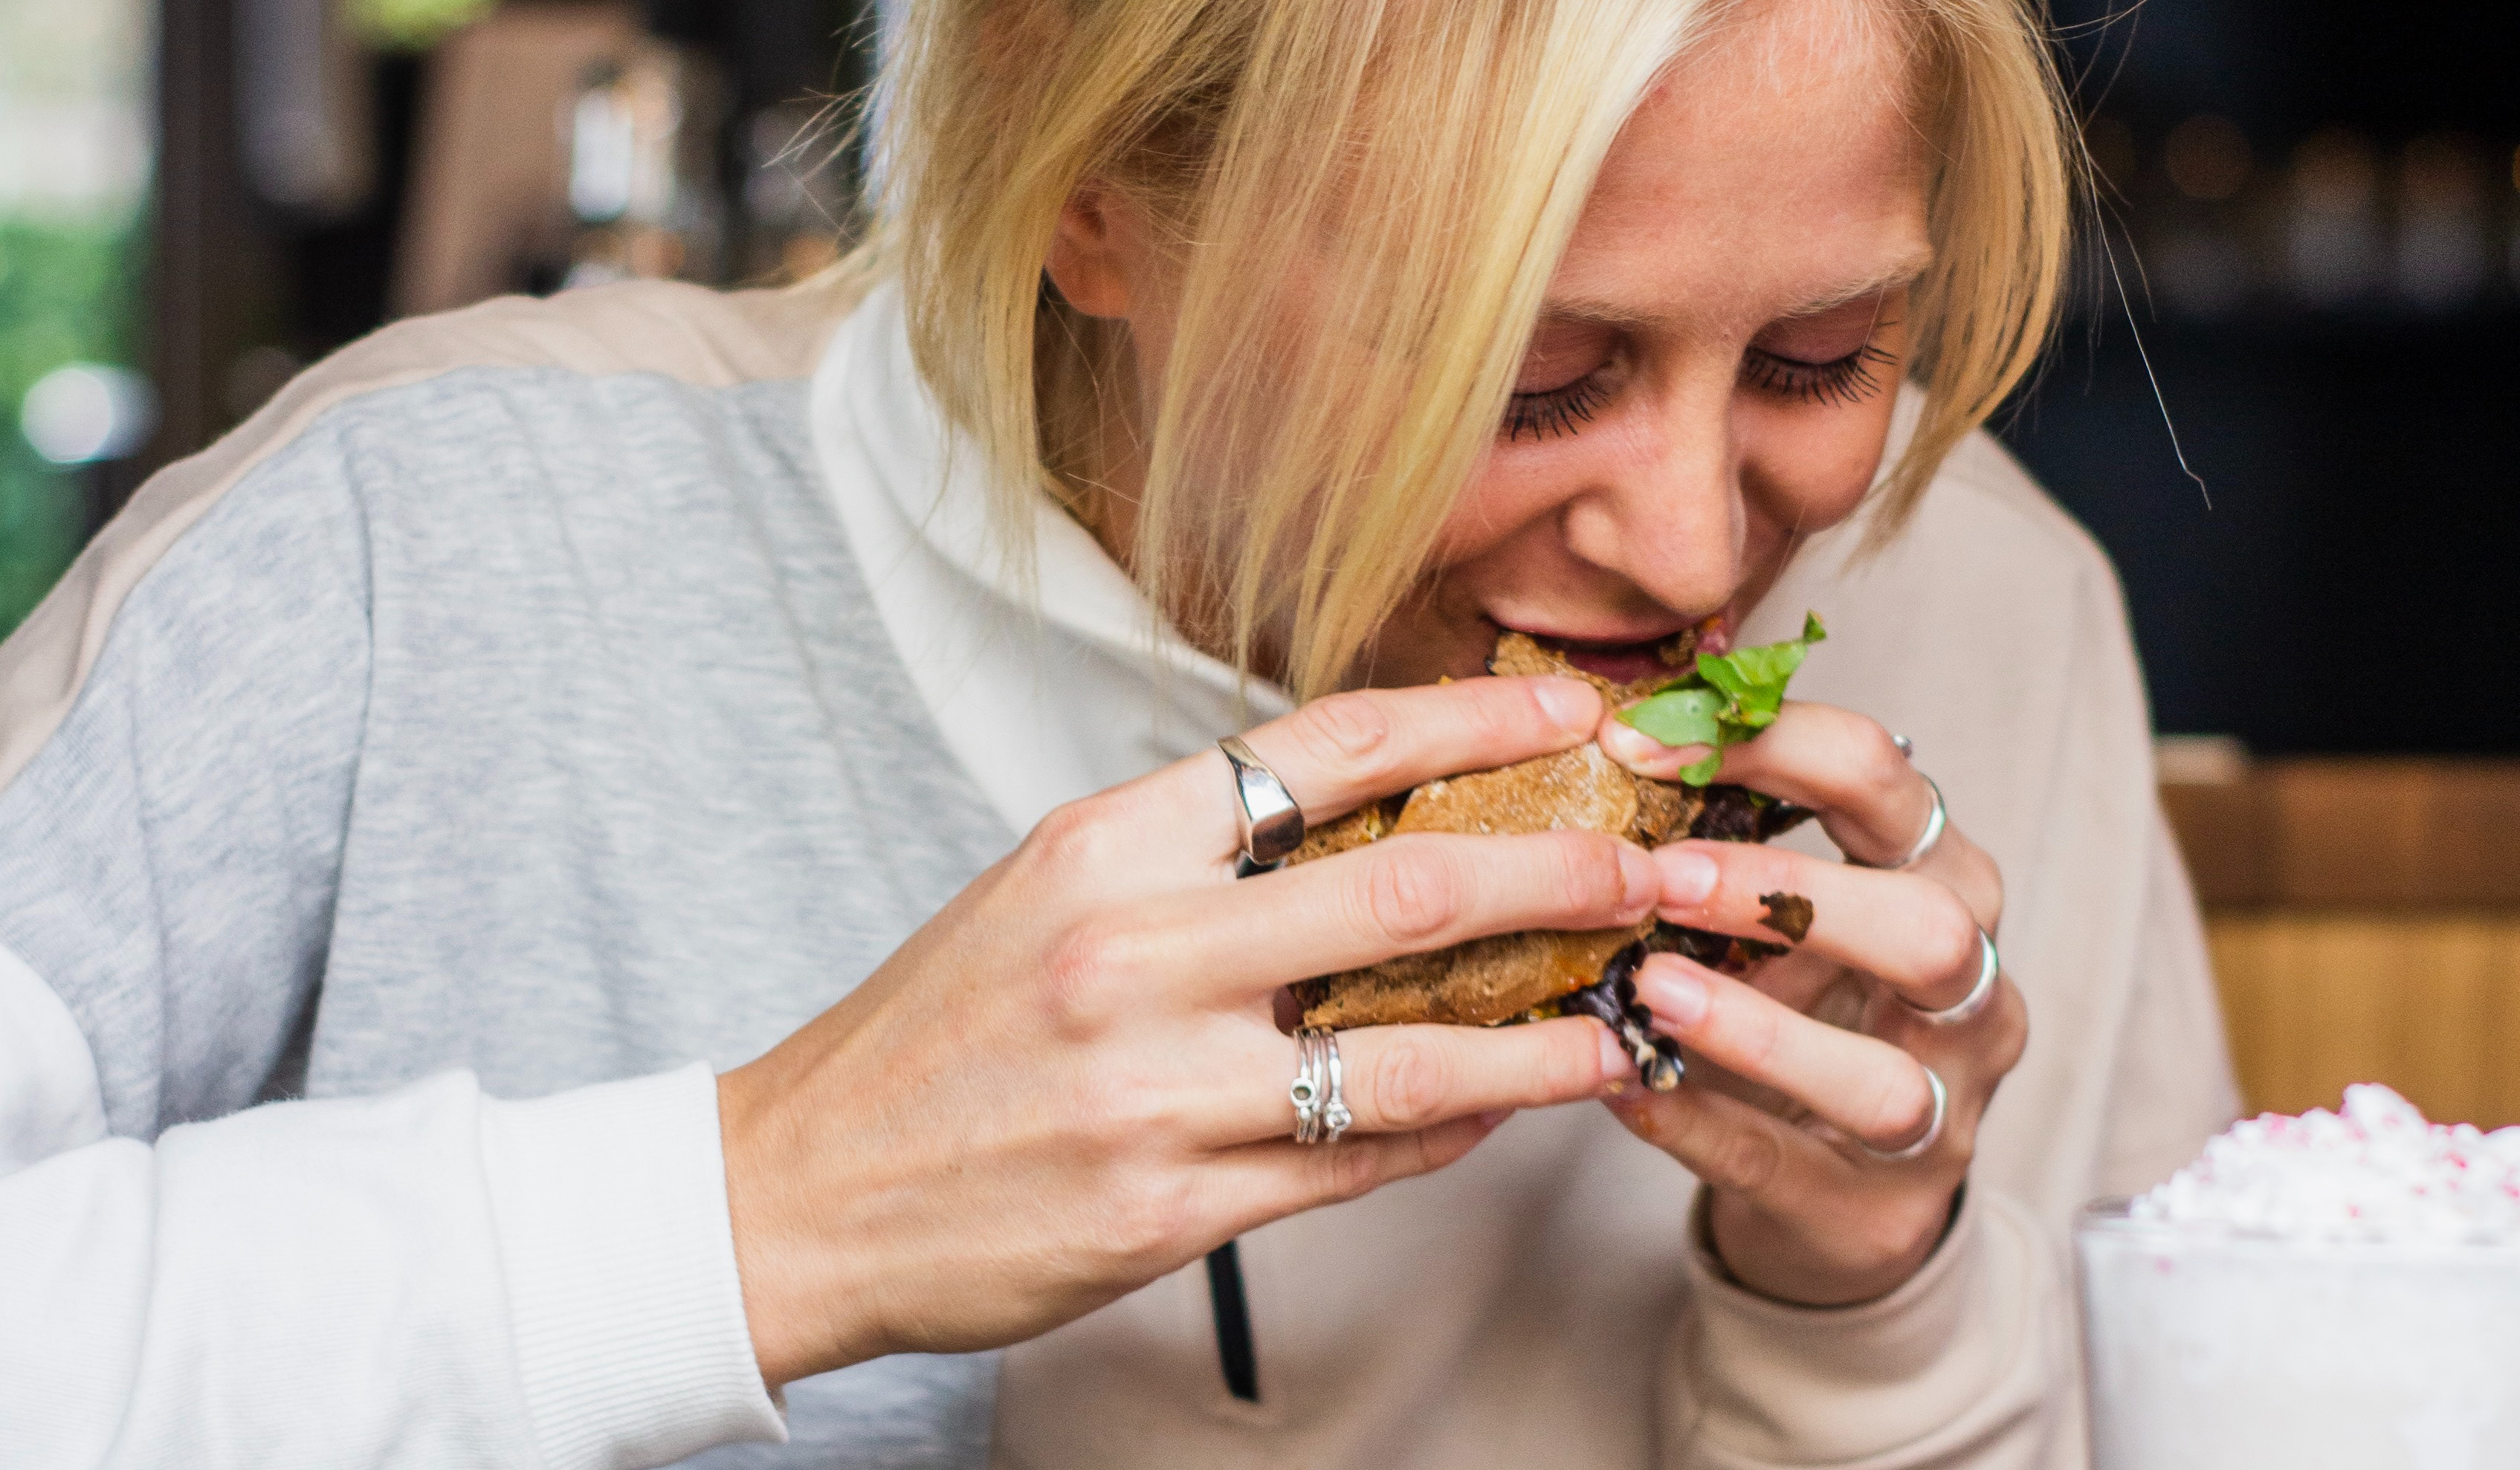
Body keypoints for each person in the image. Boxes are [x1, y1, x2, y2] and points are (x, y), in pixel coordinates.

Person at [0, 0, 2239, 1465]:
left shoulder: (1999, 613)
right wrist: (757, 1203)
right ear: (1087, 187)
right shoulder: (422, 547)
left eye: (1827, 358)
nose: (1689, 543)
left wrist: (1871, 1295)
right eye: (1529, 372)